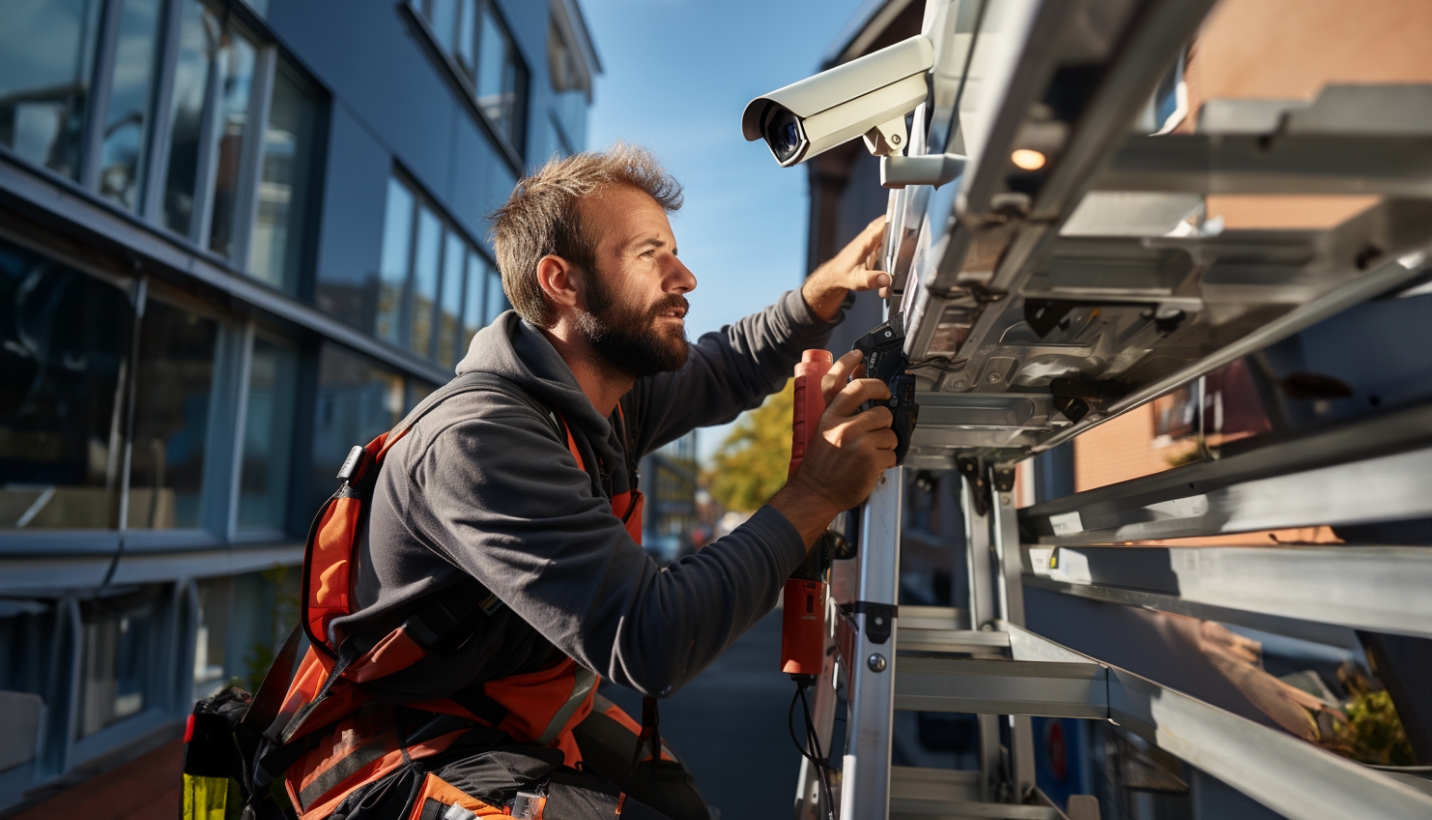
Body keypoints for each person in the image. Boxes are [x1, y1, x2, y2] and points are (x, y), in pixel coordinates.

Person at [277, 145, 896, 820]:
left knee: (679, 805)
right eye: (649, 253)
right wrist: (817, 494)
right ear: (562, 282)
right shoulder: (479, 442)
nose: (684, 275)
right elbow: (653, 638)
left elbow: (725, 368)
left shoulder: (597, 403)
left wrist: (821, 294)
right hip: (403, 755)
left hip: (498, 723)